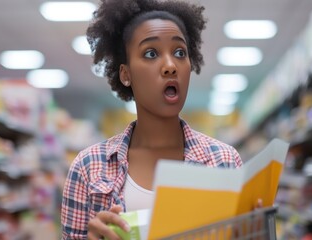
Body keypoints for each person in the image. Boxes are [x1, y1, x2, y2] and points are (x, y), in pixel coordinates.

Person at [61, 0, 242, 239]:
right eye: (151, 53)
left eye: (179, 52)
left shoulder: (225, 162)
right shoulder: (87, 168)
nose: (170, 66)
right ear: (126, 74)